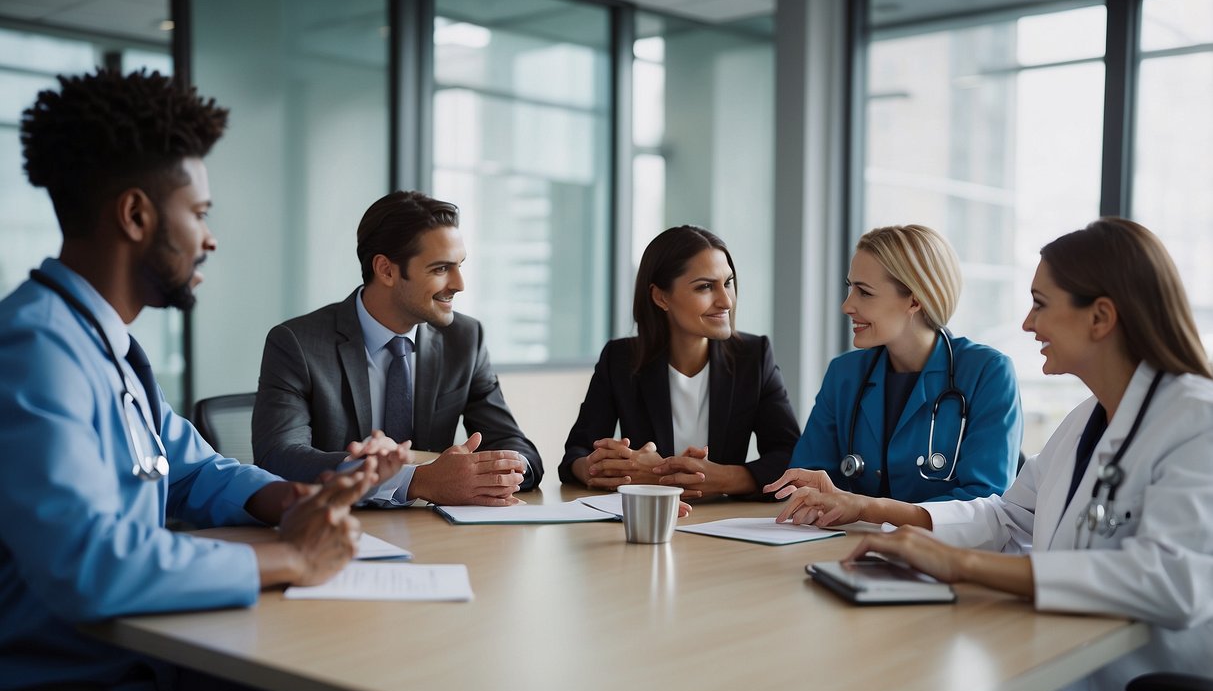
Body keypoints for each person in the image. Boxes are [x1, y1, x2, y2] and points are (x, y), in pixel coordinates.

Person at [0, 68, 400, 691]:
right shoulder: (32, 351)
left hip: (133, 666)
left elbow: (186, 465)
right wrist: (293, 558)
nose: (210, 237)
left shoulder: (98, 343)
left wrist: (289, 498)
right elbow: (95, 564)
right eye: (200, 211)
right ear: (136, 215)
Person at [772, 218, 1213, 691]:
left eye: (1040, 304)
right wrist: (882, 517)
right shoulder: (1087, 420)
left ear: (1100, 317)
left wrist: (959, 564)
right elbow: (1007, 516)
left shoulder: (1197, 421)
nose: (1028, 323)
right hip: (1063, 683)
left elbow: (1172, 583)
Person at [253, 190, 543, 507]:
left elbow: (519, 449)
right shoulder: (298, 343)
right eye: (441, 269)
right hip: (336, 528)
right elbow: (279, 458)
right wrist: (415, 479)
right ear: (387, 270)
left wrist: (497, 472)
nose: (459, 284)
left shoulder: (465, 338)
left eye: (459, 265)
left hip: (434, 533)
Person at [559, 224, 801, 499]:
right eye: (706, 287)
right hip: (647, 520)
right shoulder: (620, 359)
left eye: (728, 283)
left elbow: (791, 456)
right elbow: (576, 455)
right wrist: (602, 467)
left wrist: (718, 478)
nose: (726, 301)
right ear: (661, 296)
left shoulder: (754, 356)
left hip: (726, 521)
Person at [785, 224, 1022, 504]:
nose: (846, 306)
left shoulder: (988, 373)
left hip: (940, 547)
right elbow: (806, 479)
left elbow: (983, 502)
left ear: (914, 299)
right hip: (848, 543)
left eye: (864, 292)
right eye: (850, 288)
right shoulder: (845, 374)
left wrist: (868, 510)